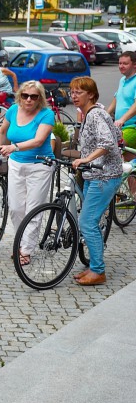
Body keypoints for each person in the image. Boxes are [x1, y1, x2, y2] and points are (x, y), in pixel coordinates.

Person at [0, 80, 54, 267]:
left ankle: (26, 250)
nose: (29, 99)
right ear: (19, 95)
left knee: (33, 209)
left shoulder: (46, 114)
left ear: (40, 98)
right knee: (15, 207)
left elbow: (38, 141)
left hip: (40, 165)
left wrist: (14, 147)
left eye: (34, 96)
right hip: (16, 164)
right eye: (25, 95)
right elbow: (2, 132)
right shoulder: (13, 110)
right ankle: (22, 241)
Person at [70, 77, 123, 286]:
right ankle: (93, 266)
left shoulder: (95, 114)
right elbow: (117, 134)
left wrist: (86, 158)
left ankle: (98, 271)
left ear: (91, 94)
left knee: (87, 222)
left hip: (105, 175)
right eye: (72, 92)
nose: (73, 96)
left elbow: (108, 142)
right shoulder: (93, 112)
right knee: (90, 220)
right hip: (94, 174)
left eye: (79, 92)